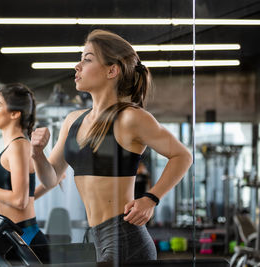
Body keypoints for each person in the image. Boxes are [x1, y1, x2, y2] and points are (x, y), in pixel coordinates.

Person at [30, 29, 192, 264]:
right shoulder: (72, 120)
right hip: (95, 237)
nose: (77, 66)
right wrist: (37, 153)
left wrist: (150, 199)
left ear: (112, 70)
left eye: (87, 59)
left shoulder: (131, 118)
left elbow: (182, 155)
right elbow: (51, 178)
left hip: (125, 238)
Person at [0, 83, 48, 250]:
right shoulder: (15, 147)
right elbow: (26, 197)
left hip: (25, 238)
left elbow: (20, 200)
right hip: (13, 235)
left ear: (14, 114)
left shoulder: (18, 146)